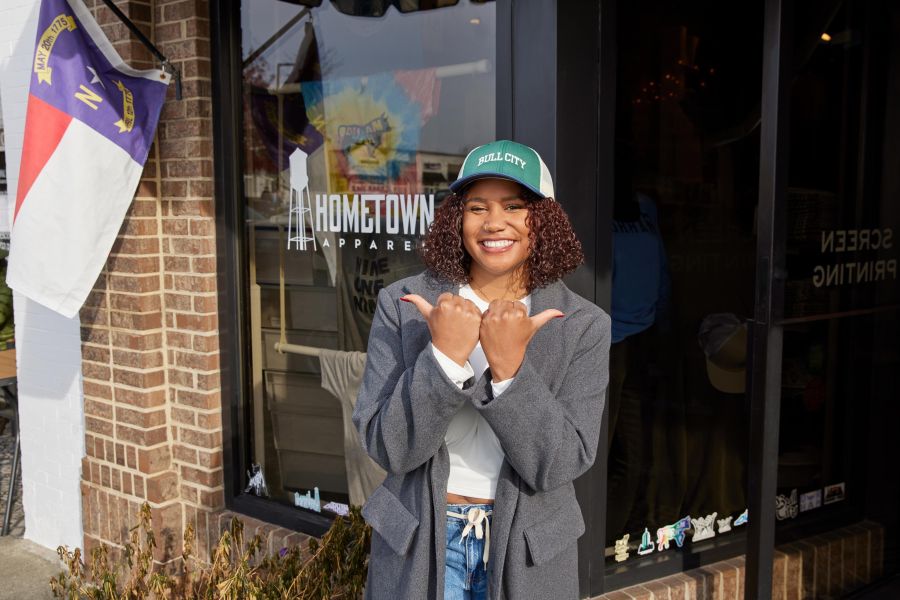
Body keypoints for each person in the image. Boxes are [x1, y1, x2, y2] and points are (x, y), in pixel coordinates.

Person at [353, 140, 611, 600]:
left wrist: (510, 370)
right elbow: (387, 447)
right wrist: (443, 361)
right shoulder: (405, 306)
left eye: (515, 206)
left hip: (528, 552)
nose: (495, 222)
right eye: (477, 207)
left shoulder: (584, 325)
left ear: (544, 219)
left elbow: (559, 463)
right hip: (421, 544)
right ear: (457, 218)